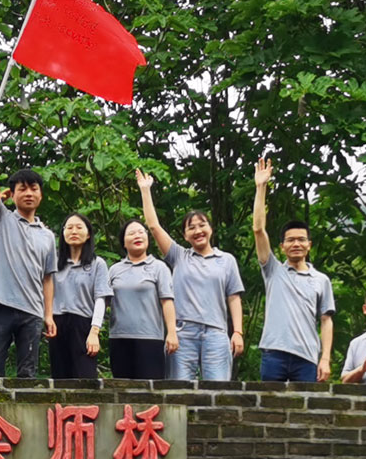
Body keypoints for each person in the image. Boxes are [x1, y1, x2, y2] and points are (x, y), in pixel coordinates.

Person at [137, 169, 244, 381]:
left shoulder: (226, 260)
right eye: (191, 228)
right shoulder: (179, 256)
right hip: (182, 333)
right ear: (185, 235)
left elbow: (234, 297)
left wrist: (238, 332)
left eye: (202, 225)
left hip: (216, 332)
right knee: (178, 392)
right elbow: (154, 226)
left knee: (218, 393)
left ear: (211, 229)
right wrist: (145, 190)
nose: (198, 231)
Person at [0, 116, 56, 377]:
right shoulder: (2, 219)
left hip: (33, 312)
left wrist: (49, 314)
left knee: (28, 374)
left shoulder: (47, 236)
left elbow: (48, 278)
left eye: (34, 189)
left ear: (41, 195)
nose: (28, 193)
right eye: (22, 189)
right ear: (11, 195)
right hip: (1, 305)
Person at [252, 157, 335, 382]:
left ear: (309, 245)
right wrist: (261, 187)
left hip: (307, 356)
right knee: (269, 410)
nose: (296, 244)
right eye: (290, 240)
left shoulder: (321, 280)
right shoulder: (273, 271)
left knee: (306, 414)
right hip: (274, 353)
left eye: (301, 240)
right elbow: (259, 229)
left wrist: (325, 358)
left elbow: (326, 320)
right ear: (282, 246)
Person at [106, 220, 178, 380]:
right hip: (119, 339)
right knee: (122, 390)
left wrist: (172, 332)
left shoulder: (159, 267)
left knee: (150, 393)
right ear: (123, 242)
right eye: (131, 233)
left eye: (141, 232)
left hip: (150, 339)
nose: (137, 236)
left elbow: (167, 301)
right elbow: (102, 302)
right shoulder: (114, 270)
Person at [49, 212, 111, 380]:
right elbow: (45, 292)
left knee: (85, 380)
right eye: (69, 228)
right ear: (63, 233)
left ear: (88, 233)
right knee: (59, 380)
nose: (73, 231)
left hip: (83, 325)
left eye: (79, 227)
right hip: (57, 324)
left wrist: (94, 331)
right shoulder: (53, 262)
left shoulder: (97, 264)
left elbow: (100, 299)